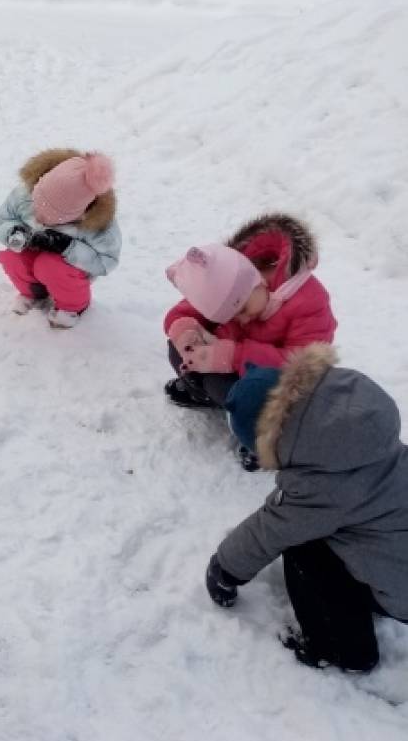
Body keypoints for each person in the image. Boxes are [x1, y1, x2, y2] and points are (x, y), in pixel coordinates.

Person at [204, 347, 408, 673]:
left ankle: (342, 650)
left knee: (305, 548)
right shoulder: (357, 435)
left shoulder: (321, 487)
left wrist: (223, 569)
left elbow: (270, 528)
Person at [163, 213, 336, 410]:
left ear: (258, 281)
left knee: (232, 389)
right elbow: (182, 313)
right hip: (234, 362)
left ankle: (256, 428)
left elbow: (302, 366)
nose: (242, 320)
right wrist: (185, 333)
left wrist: (233, 356)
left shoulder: (309, 300)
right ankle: (205, 393)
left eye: (243, 309)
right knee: (177, 349)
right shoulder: (226, 279)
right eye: (231, 316)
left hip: (274, 383)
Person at [0, 148, 121, 329]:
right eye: (37, 205)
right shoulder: (25, 193)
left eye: (52, 216)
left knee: (49, 266)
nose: (39, 218)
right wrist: (14, 232)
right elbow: (1, 219)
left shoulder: (98, 224)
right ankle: (35, 294)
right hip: (33, 253)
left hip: (66, 269)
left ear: (79, 213)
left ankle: (72, 306)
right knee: (14, 257)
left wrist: (67, 247)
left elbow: (107, 261)